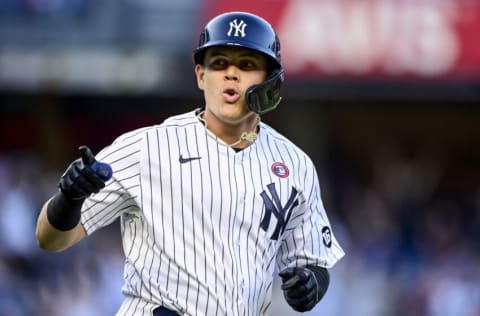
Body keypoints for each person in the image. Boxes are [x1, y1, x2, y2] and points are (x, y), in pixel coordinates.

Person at [36, 11, 345, 316]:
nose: (231, 74)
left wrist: (311, 285)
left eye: (247, 64)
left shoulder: (294, 164)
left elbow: (313, 260)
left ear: (270, 80)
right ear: (200, 75)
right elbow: (50, 239)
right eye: (219, 63)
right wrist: (69, 198)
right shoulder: (146, 148)